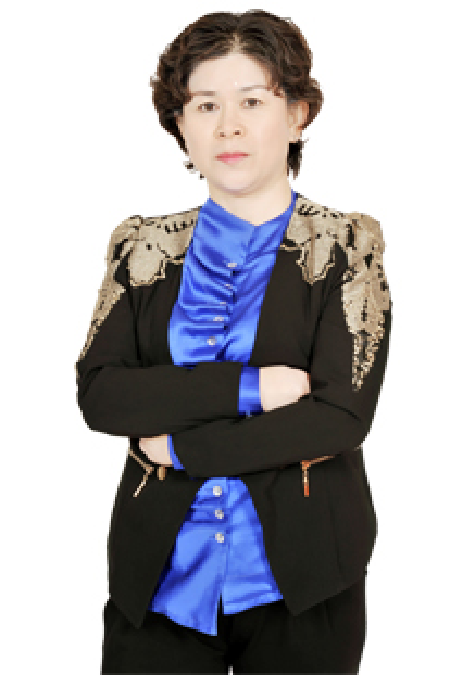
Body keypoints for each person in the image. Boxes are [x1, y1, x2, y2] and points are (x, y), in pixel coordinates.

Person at [75, 9, 392, 674]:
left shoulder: (345, 247)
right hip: (159, 579)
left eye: (252, 101)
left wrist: (178, 447)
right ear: (180, 123)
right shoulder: (142, 247)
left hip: (304, 580)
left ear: (297, 115)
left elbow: (338, 416)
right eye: (205, 104)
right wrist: (255, 388)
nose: (229, 126)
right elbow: (103, 395)